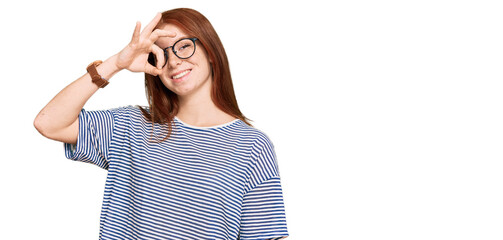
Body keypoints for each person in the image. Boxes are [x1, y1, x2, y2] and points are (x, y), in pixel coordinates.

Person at [34, 8, 288, 240]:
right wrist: (116, 63)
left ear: (211, 51)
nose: (174, 61)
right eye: (161, 54)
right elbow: (49, 123)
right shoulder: (130, 126)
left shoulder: (252, 146)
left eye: (184, 46)